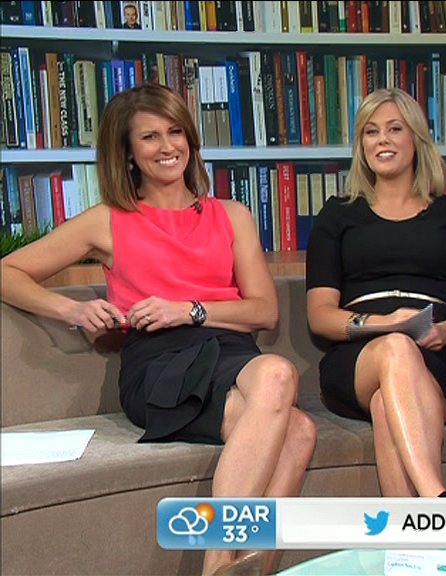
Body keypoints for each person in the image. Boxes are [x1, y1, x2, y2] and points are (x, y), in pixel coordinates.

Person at [0, 83, 317, 576]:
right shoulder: (109, 220)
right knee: (291, 415)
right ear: (128, 152)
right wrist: (71, 310)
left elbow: (264, 311)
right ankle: (220, 564)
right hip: (160, 363)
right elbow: (8, 271)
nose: (168, 147)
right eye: (150, 137)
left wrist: (188, 309)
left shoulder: (231, 215)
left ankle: (236, 569)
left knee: (294, 418)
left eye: (175, 132)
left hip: (229, 349)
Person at [305, 88, 446, 498]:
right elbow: (319, 315)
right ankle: (437, 497)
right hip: (359, 356)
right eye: (371, 132)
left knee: (386, 406)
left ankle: (411, 531)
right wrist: (383, 324)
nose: (381, 140)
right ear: (361, 145)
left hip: (438, 356)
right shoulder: (337, 215)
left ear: (416, 139)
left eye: (394, 129)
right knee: (395, 347)